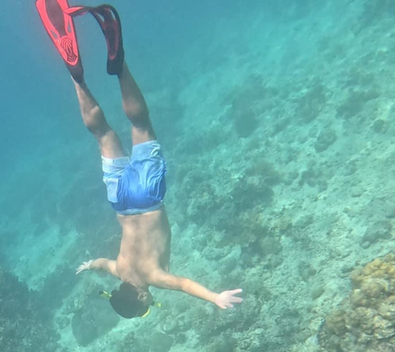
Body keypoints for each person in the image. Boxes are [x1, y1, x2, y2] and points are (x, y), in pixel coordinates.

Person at [36, 0, 243, 318]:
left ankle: (120, 69)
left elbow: (184, 284)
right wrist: (89, 265)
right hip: (119, 199)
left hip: (147, 197)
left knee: (141, 125)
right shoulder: (118, 270)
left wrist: (214, 297)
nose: (151, 304)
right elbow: (102, 264)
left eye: (146, 308)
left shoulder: (152, 278)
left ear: (142, 299)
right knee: (103, 134)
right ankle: (77, 77)